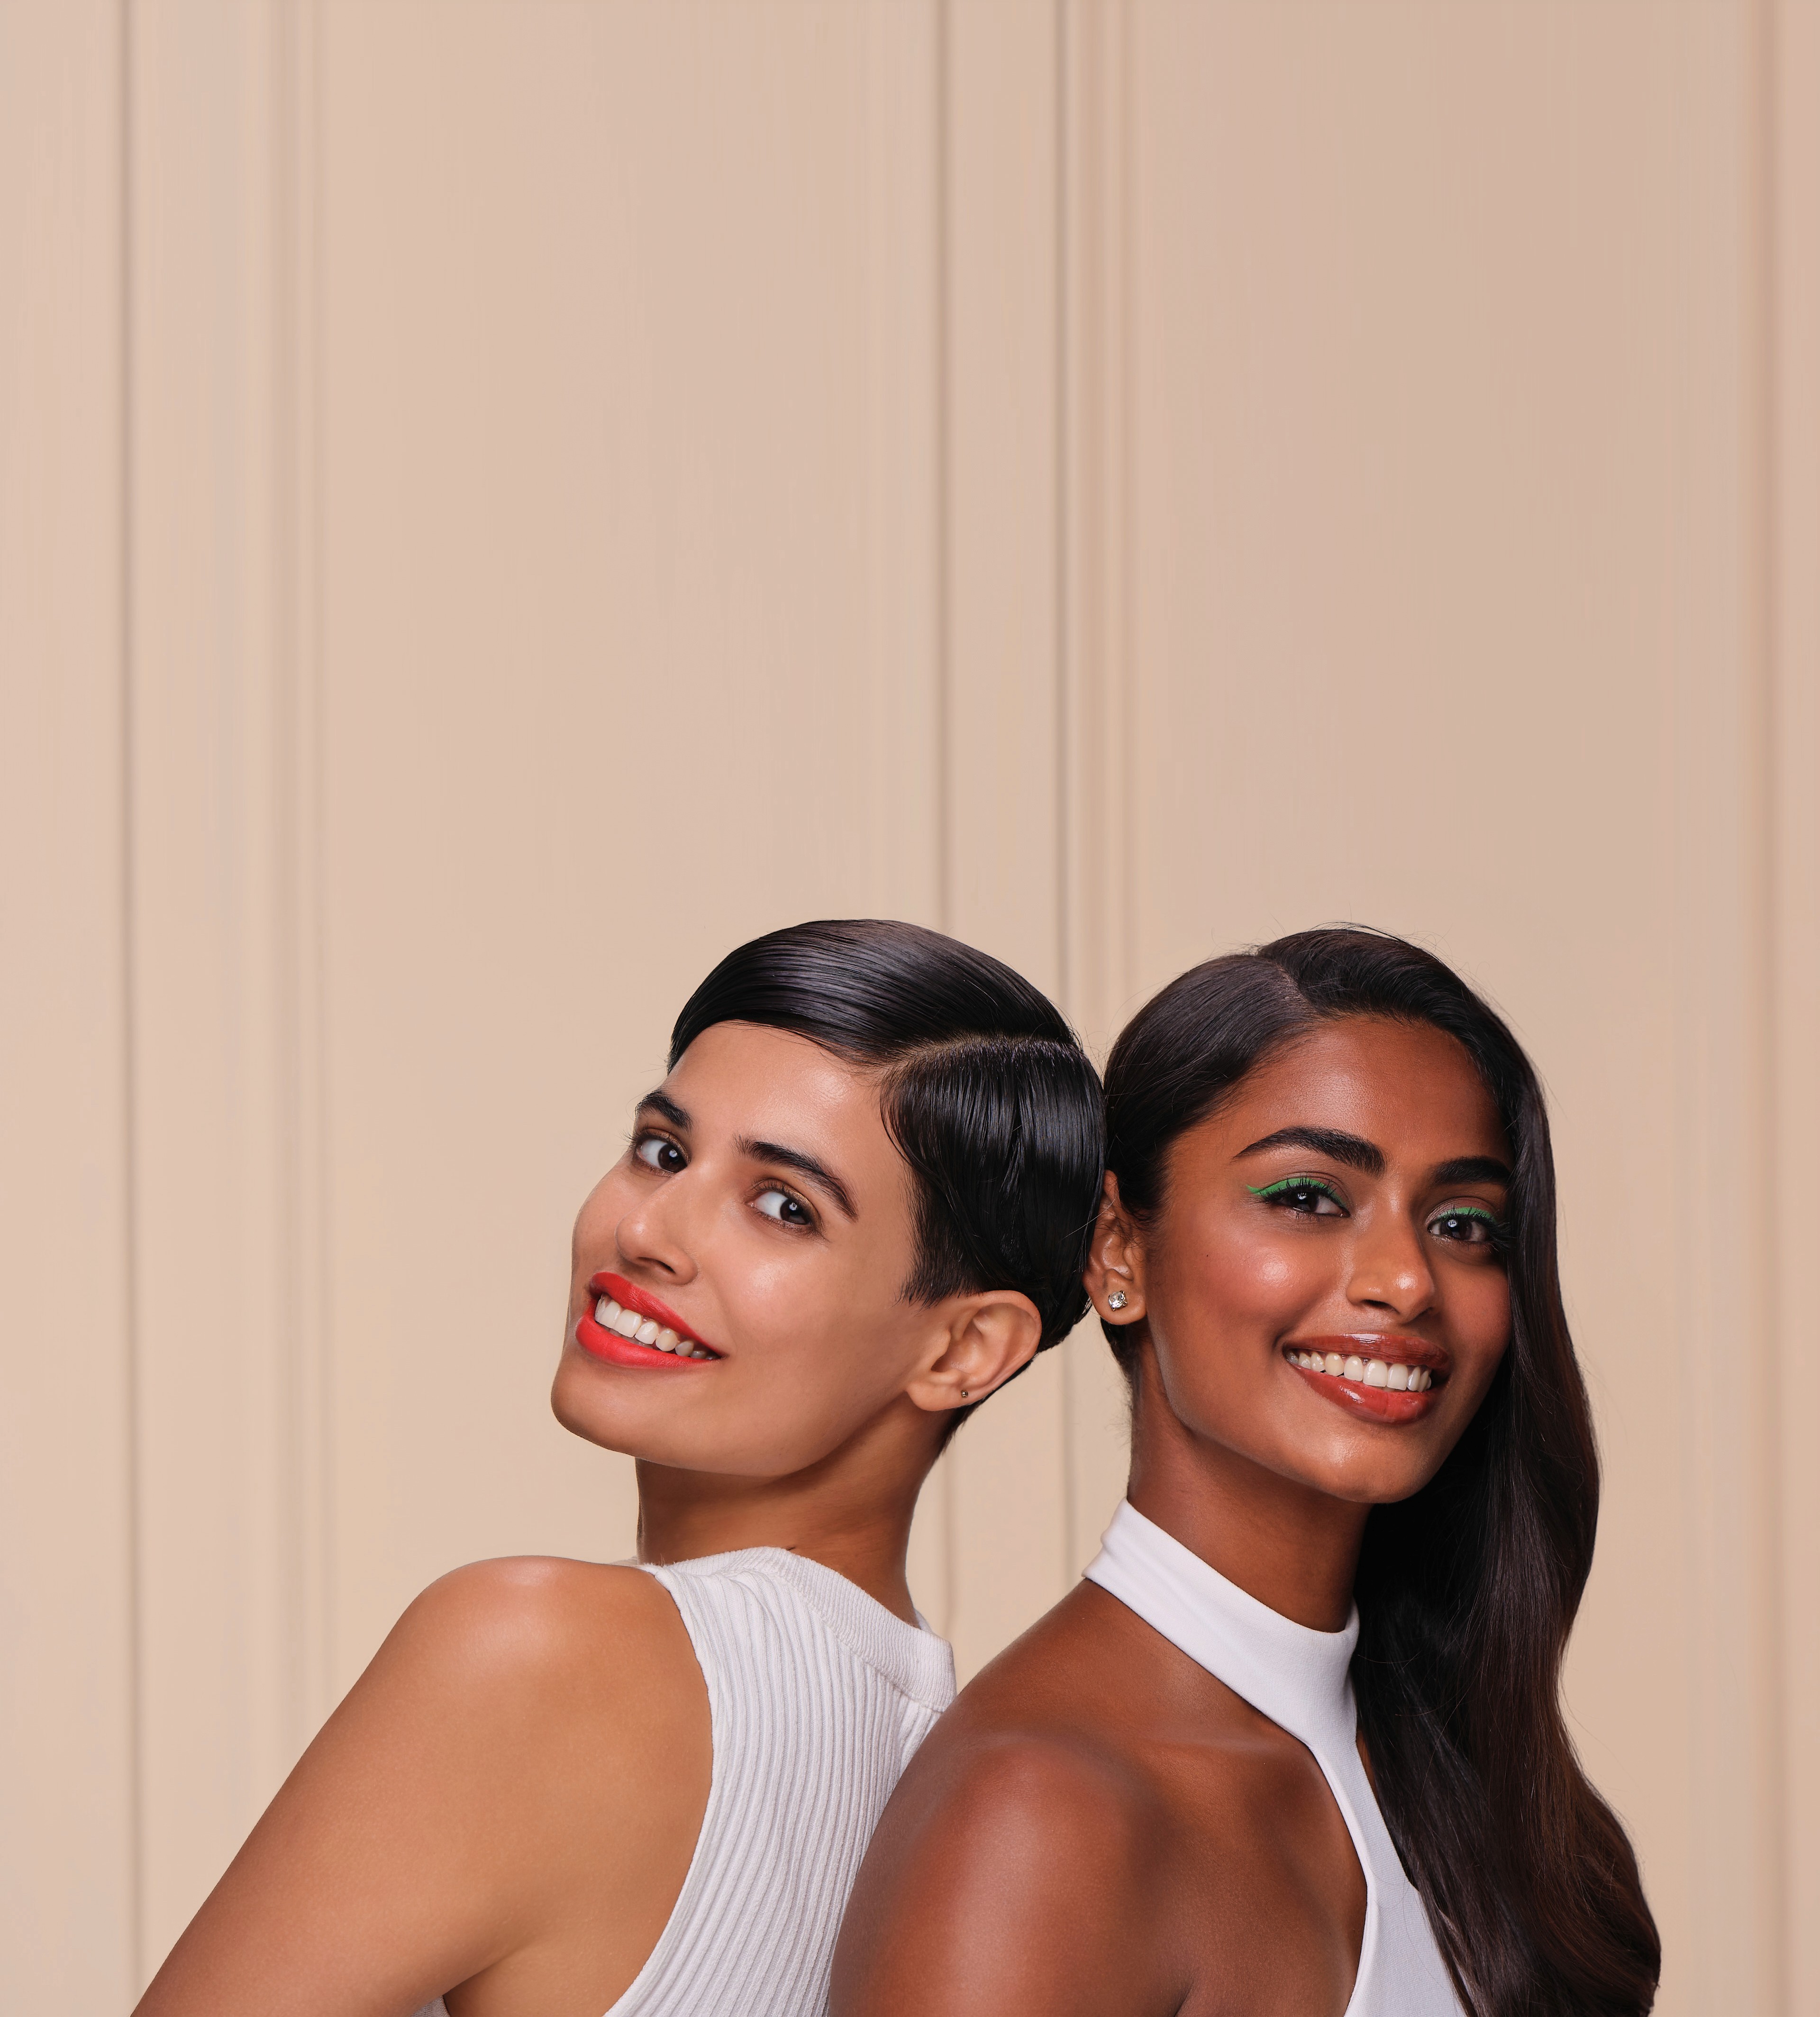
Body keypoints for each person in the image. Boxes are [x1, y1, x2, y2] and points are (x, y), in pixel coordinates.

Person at [135, 919, 1104, 2017]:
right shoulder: (948, 1766)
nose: (650, 1230)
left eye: (784, 1207)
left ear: (963, 1348)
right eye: (664, 1150)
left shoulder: (534, 1653)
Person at [833, 926, 1661, 2017]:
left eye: (1464, 1223)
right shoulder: (1037, 1816)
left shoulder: (1479, 1786)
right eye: (1310, 1197)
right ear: (1119, 1249)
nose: (1408, 1279)